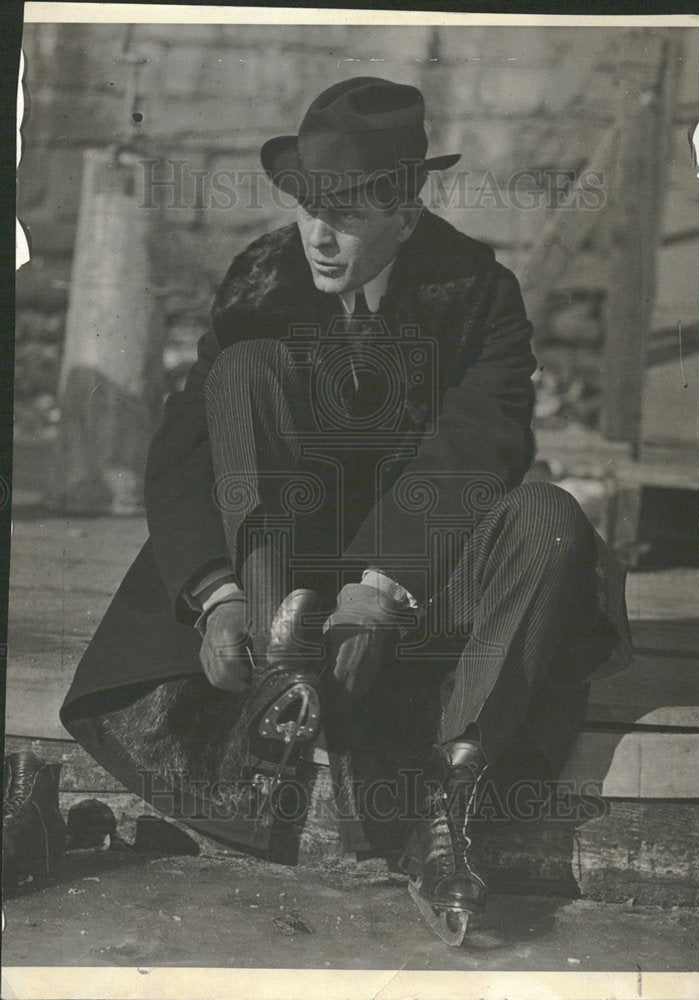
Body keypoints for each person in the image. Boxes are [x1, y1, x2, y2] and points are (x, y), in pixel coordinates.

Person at [55, 77, 632, 942]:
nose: (320, 235)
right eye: (308, 205)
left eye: (350, 212)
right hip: (277, 574)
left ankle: (447, 804)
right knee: (242, 374)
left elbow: (480, 446)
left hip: (419, 578)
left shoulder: (477, 291)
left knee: (551, 519)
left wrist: (385, 582)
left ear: (406, 205)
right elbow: (182, 453)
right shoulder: (261, 280)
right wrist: (218, 596)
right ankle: (281, 679)